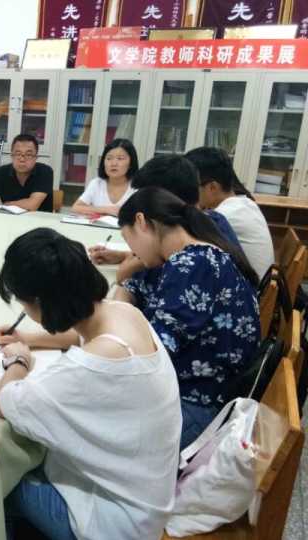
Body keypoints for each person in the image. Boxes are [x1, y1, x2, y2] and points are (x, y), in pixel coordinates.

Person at [0, 228, 181, 540]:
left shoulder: (93, 364)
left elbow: (6, 401)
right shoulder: (123, 313)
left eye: (24, 304)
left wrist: (19, 361)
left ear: (38, 302)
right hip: (144, 497)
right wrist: (29, 338)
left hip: (112, 521)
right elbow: (80, 334)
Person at [115, 187, 260, 449]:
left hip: (196, 408)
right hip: (197, 395)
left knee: (86, 428)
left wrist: (109, 328)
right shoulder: (189, 256)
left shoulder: (193, 265)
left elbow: (151, 353)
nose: (132, 252)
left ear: (141, 221)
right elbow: (132, 289)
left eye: (129, 241)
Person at [89, 155, 242, 271]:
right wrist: (122, 256)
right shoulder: (210, 220)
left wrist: (131, 264)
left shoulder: (187, 244)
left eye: (146, 197)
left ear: (161, 199)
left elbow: (125, 274)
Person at [185, 146, 274, 279]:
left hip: (251, 289)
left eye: (193, 186)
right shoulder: (244, 202)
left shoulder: (224, 216)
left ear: (212, 187)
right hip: (259, 284)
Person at [0, 134, 53, 212]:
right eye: (18, 154)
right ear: (12, 156)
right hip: (8, 219)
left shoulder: (45, 171)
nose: (22, 159)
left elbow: (32, 205)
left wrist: (4, 205)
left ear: (36, 158)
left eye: (28, 155)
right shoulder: (1, 172)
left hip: (38, 219)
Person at [72, 138, 139, 216]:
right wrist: (105, 210)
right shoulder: (97, 183)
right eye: (109, 158)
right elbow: (76, 208)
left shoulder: (137, 187)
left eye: (120, 158)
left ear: (131, 163)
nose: (113, 163)